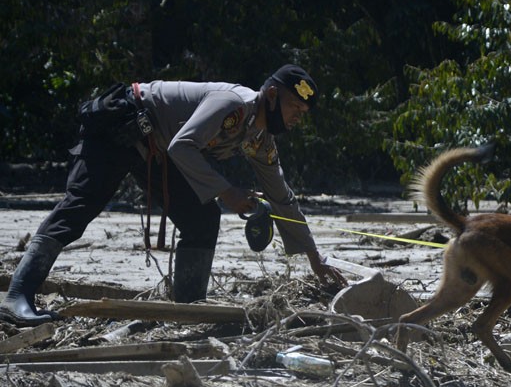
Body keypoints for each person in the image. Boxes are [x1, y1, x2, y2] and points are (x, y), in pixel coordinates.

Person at [0, 64, 347, 327]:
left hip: (155, 149)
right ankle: (18, 296)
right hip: (121, 126)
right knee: (78, 209)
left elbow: (282, 198)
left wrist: (314, 256)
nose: (297, 118)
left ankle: (187, 309)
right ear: (271, 95)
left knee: (202, 218)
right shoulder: (233, 105)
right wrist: (227, 191)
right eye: (293, 108)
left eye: (302, 114)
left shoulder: (259, 138)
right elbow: (184, 145)